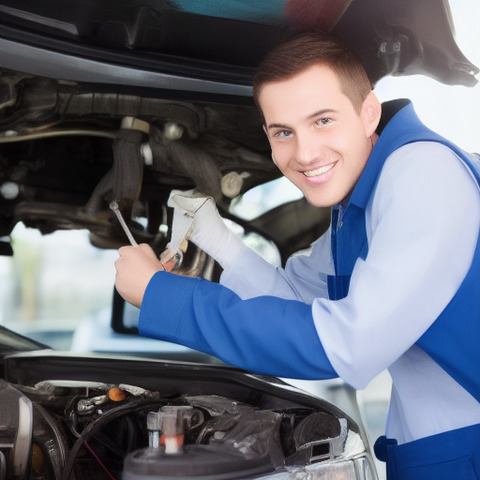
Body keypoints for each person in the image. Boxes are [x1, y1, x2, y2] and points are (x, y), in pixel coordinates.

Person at [114, 30, 480, 479]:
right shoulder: (362, 202)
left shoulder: (422, 176)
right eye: (283, 132)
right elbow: (294, 300)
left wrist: (162, 296)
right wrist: (220, 240)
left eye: (323, 120)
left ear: (369, 113)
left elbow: (347, 345)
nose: (305, 153)